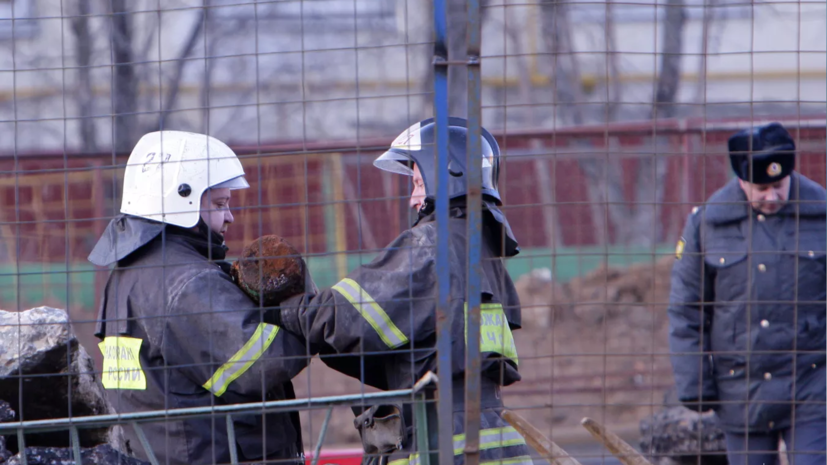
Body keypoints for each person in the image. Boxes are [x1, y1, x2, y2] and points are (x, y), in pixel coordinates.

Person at [268, 117, 532, 465]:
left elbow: (346, 319)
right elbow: (427, 347)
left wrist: (280, 305)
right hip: (493, 440)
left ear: (446, 176)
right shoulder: (482, 251)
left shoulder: (432, 245)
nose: (412, 200)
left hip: (438, 442)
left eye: (418, 184)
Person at [89, 131, 310, 465]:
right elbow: (261, 365)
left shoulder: (126, 274)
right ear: (183, 201)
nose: (230, 217)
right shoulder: (187, 280)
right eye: (220, 204)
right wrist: (301, 315)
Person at [667, 122, 826, 465]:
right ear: (741, 180)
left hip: (813, 382)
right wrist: (695, 383)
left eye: (780, 185)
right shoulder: (707, 223)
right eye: (762, 187)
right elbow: (686, 309)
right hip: (741, 387)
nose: (773, 196)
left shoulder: (821, 214)